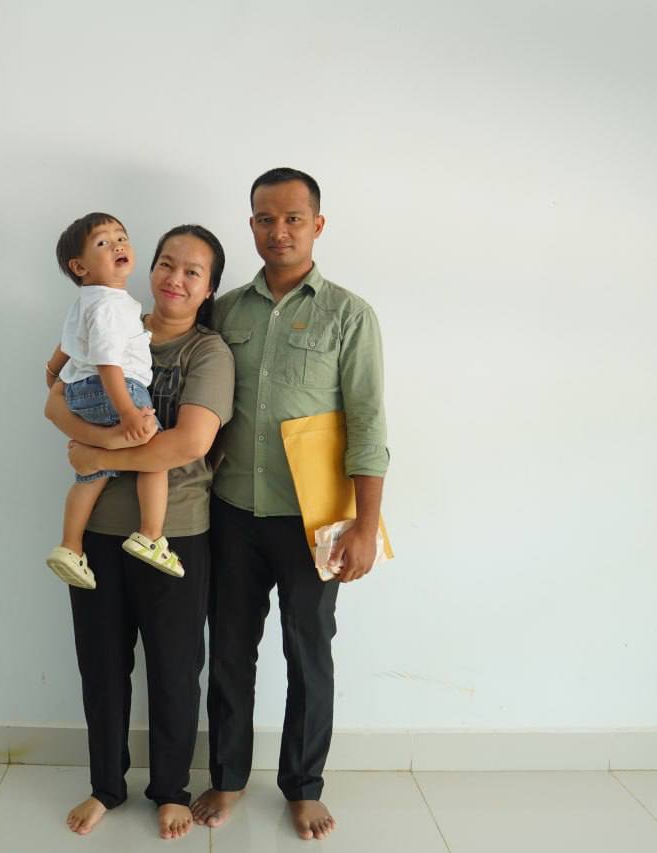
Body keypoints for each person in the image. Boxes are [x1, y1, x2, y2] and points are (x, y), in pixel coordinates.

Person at [189, 168, 389, 841]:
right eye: (266, 219)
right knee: (230, 651)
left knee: (308, 652)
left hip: (315, 521)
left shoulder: (348, 314)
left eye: (293, 218)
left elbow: (368, 422)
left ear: (317, 225)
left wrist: (365, 526)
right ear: (251, 225)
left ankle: (303, 786)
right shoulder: (224, 311)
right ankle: (227, 776)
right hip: (230, 512)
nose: (279, 231)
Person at [46, 225, 235, 840]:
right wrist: (99, 440)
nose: (175, 279)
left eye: (193, 272)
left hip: (175, 533)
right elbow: (54, 402)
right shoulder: (112, 319)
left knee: (175, 668)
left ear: (209, 289)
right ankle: (106, 785)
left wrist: (96, 452)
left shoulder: (208, 353)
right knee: (101, 666)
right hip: (98, 531)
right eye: (167, 264)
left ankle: (171, 790)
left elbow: (189, 443)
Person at [44, 213, 183, 589]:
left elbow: (67, 344)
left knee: (91, 475)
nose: (118, 245)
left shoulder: (87, 302)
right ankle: (150, 535)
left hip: (79, 391)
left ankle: (70, 546)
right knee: (154, 455)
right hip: (117, 388)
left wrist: (53, 372)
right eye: (103, 243)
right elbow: (108, 362)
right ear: (80, 267)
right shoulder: (112, 305)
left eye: (121, 237)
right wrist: (128, 412)